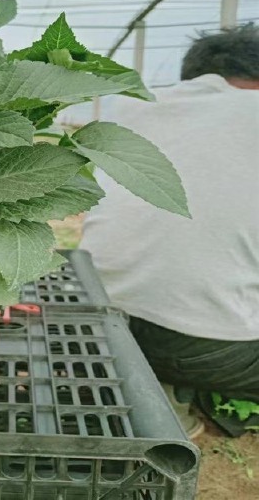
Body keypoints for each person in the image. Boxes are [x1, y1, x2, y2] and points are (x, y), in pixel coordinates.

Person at [80, 25, 259, 436]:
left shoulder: (140, 108)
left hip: (99, 325)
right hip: (205, 346)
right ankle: (174, 387)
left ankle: (157, 392)